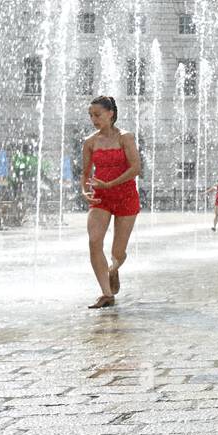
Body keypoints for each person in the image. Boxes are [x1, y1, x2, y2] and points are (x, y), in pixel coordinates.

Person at [81, 95, 142, 308]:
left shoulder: (125, 138)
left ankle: (113, 269)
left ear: (110, 113)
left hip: (125, 196)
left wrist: (111, 184)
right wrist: (84, 190)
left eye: (97, 114)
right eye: (90, 115)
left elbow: (136, 168)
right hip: (101, 197)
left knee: (118, 252)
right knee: (94, 240)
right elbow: (85, 173)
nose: (93, 119)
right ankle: (106, 294)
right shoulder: (90, 142)